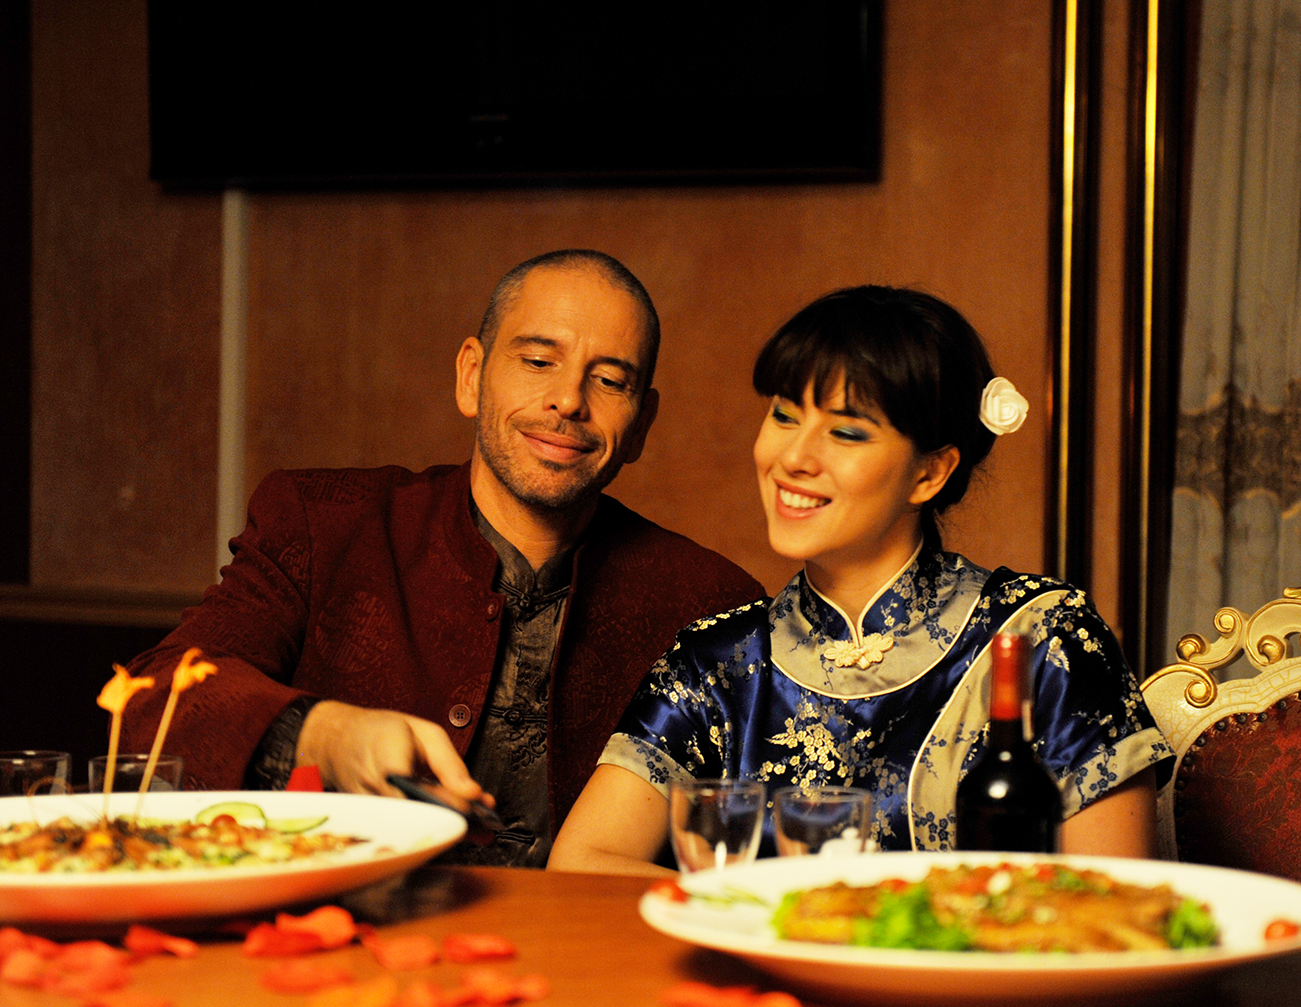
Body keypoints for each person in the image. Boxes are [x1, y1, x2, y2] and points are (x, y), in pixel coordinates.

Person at [118, 250, 765, 866]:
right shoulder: (323, 523)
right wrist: (325, 735)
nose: (569, 399)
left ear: (642, 423)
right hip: (346, 930)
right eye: (539, 360)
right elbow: (153, 700)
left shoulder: (712, 604)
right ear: (471, 375)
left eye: (610, 380)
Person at [549, 286, 1170, 876]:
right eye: (784, 416)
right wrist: (776, 915)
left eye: (846, 433)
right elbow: (583, 863)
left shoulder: (1041, 638)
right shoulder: (718, 660)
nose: (794, 458)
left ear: (930, 474)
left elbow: (1119, 900)